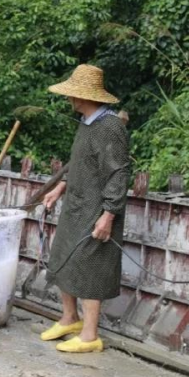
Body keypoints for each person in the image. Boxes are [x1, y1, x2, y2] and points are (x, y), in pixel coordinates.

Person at [40, 64, 130, 354]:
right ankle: (70, 318)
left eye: (73, 95)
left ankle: (90, 335)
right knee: (63, 257)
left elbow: (118, 173)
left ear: (83, 97)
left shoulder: (111, 127)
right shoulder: (87, 123)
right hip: (76, 205)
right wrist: (58, 188)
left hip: (98, 209)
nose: (70, 99)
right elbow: (78, 164)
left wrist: (109, 214)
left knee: (91, 267)